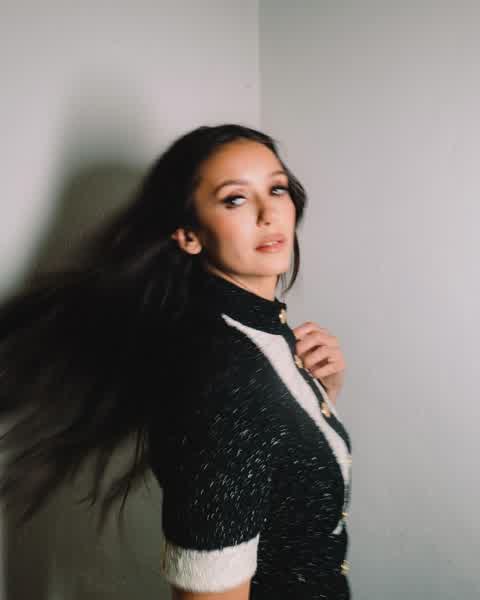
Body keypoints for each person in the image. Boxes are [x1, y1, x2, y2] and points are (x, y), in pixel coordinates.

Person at [0, 124, 352, 600]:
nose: (269, 213)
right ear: (188, 235)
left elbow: (279, 479)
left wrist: (321, 394)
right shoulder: (223, 380)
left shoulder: (258, 333)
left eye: (276, 188)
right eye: (235, 199)